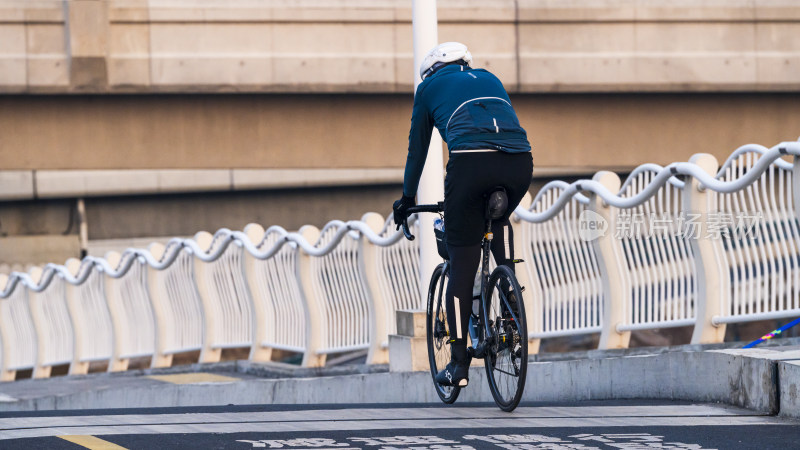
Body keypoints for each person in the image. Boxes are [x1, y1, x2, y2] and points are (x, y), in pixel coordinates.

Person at [392, 42, 533, 387]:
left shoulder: (428, 89)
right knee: (496, 219)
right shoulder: (490, 77)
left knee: (461, 263)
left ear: (430, 72)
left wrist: (407, 198)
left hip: (470, 164)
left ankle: (458, 365)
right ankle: (510, 296)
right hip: (520, 163)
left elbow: (418, 150)